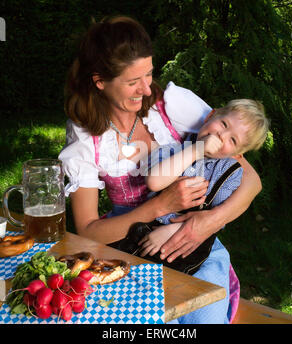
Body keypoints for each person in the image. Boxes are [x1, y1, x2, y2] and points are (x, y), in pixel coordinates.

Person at [58, 16, 263, 323]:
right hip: (132, 247)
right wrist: (160, 206)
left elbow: (251, 179)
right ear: (100, 81)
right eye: (132, 82)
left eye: (149, 74)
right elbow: (88, 231)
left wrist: (208, 221)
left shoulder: (173, 104)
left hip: (194, 243)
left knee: (202, 320)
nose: (145, 89)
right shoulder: (86, 137)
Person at [134, 99, 269, 265]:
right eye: (224, 124)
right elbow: (154, 182)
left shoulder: (229, 174)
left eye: (233, 140)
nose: (222, 135)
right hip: (147, 235)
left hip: (190, 248)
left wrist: (175, 229)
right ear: (211, 116)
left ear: (237, 155)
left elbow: (216, 219)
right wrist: (197, 150)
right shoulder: (171, 151)